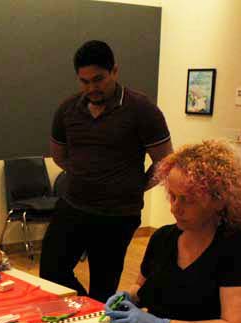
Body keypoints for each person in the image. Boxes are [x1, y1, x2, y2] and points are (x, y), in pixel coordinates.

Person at [105, 140, 241, 323]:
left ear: (218, 201)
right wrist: (126, 297)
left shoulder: (239, 252)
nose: (175, 208)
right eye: (172, 196)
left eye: (188, 200)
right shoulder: (162, 238)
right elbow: (143, 287)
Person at [40, 40, 173, 302]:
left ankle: (94, 320)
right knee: (51, 273)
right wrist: (85, 175)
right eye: (84, 81)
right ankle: (84, 307)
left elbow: (166, 161)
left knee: (104, 285)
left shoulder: (142, 109)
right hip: (73, 206)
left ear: (115, 71)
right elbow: (59, 155)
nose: (92, 88)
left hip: (117, 215)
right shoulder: (67, 110)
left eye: (98, 79)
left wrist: (135, 185)